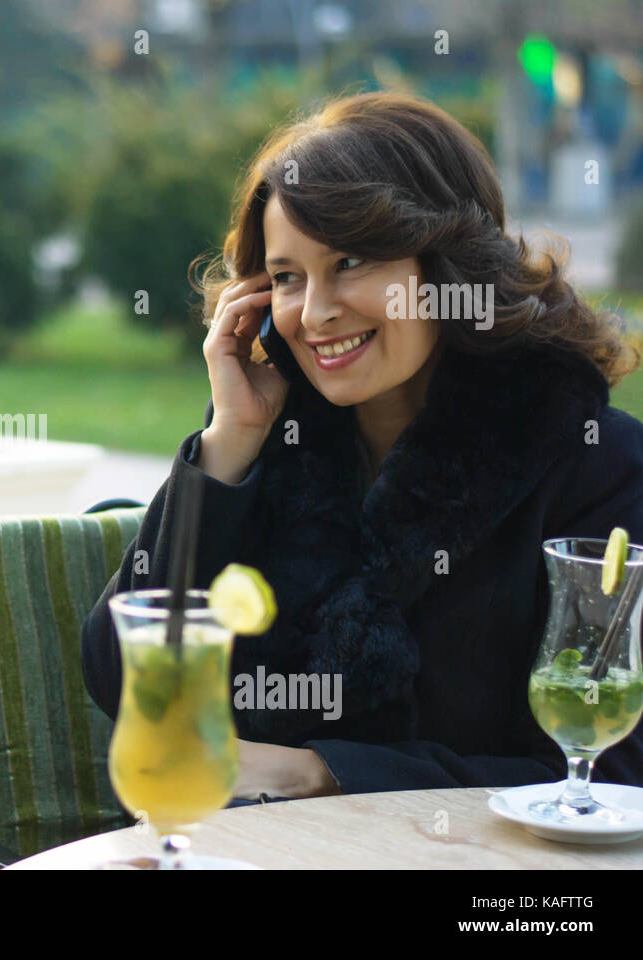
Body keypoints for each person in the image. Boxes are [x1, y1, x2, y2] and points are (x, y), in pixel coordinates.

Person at [82, 90, 643, 801]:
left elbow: (612, 774)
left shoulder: (594, 464)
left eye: (351, 262)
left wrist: (323, 772)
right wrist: (228, 445)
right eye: (287, 277)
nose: (314, 313)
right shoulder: (268, 444)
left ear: (446, 267)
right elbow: (123, 677)